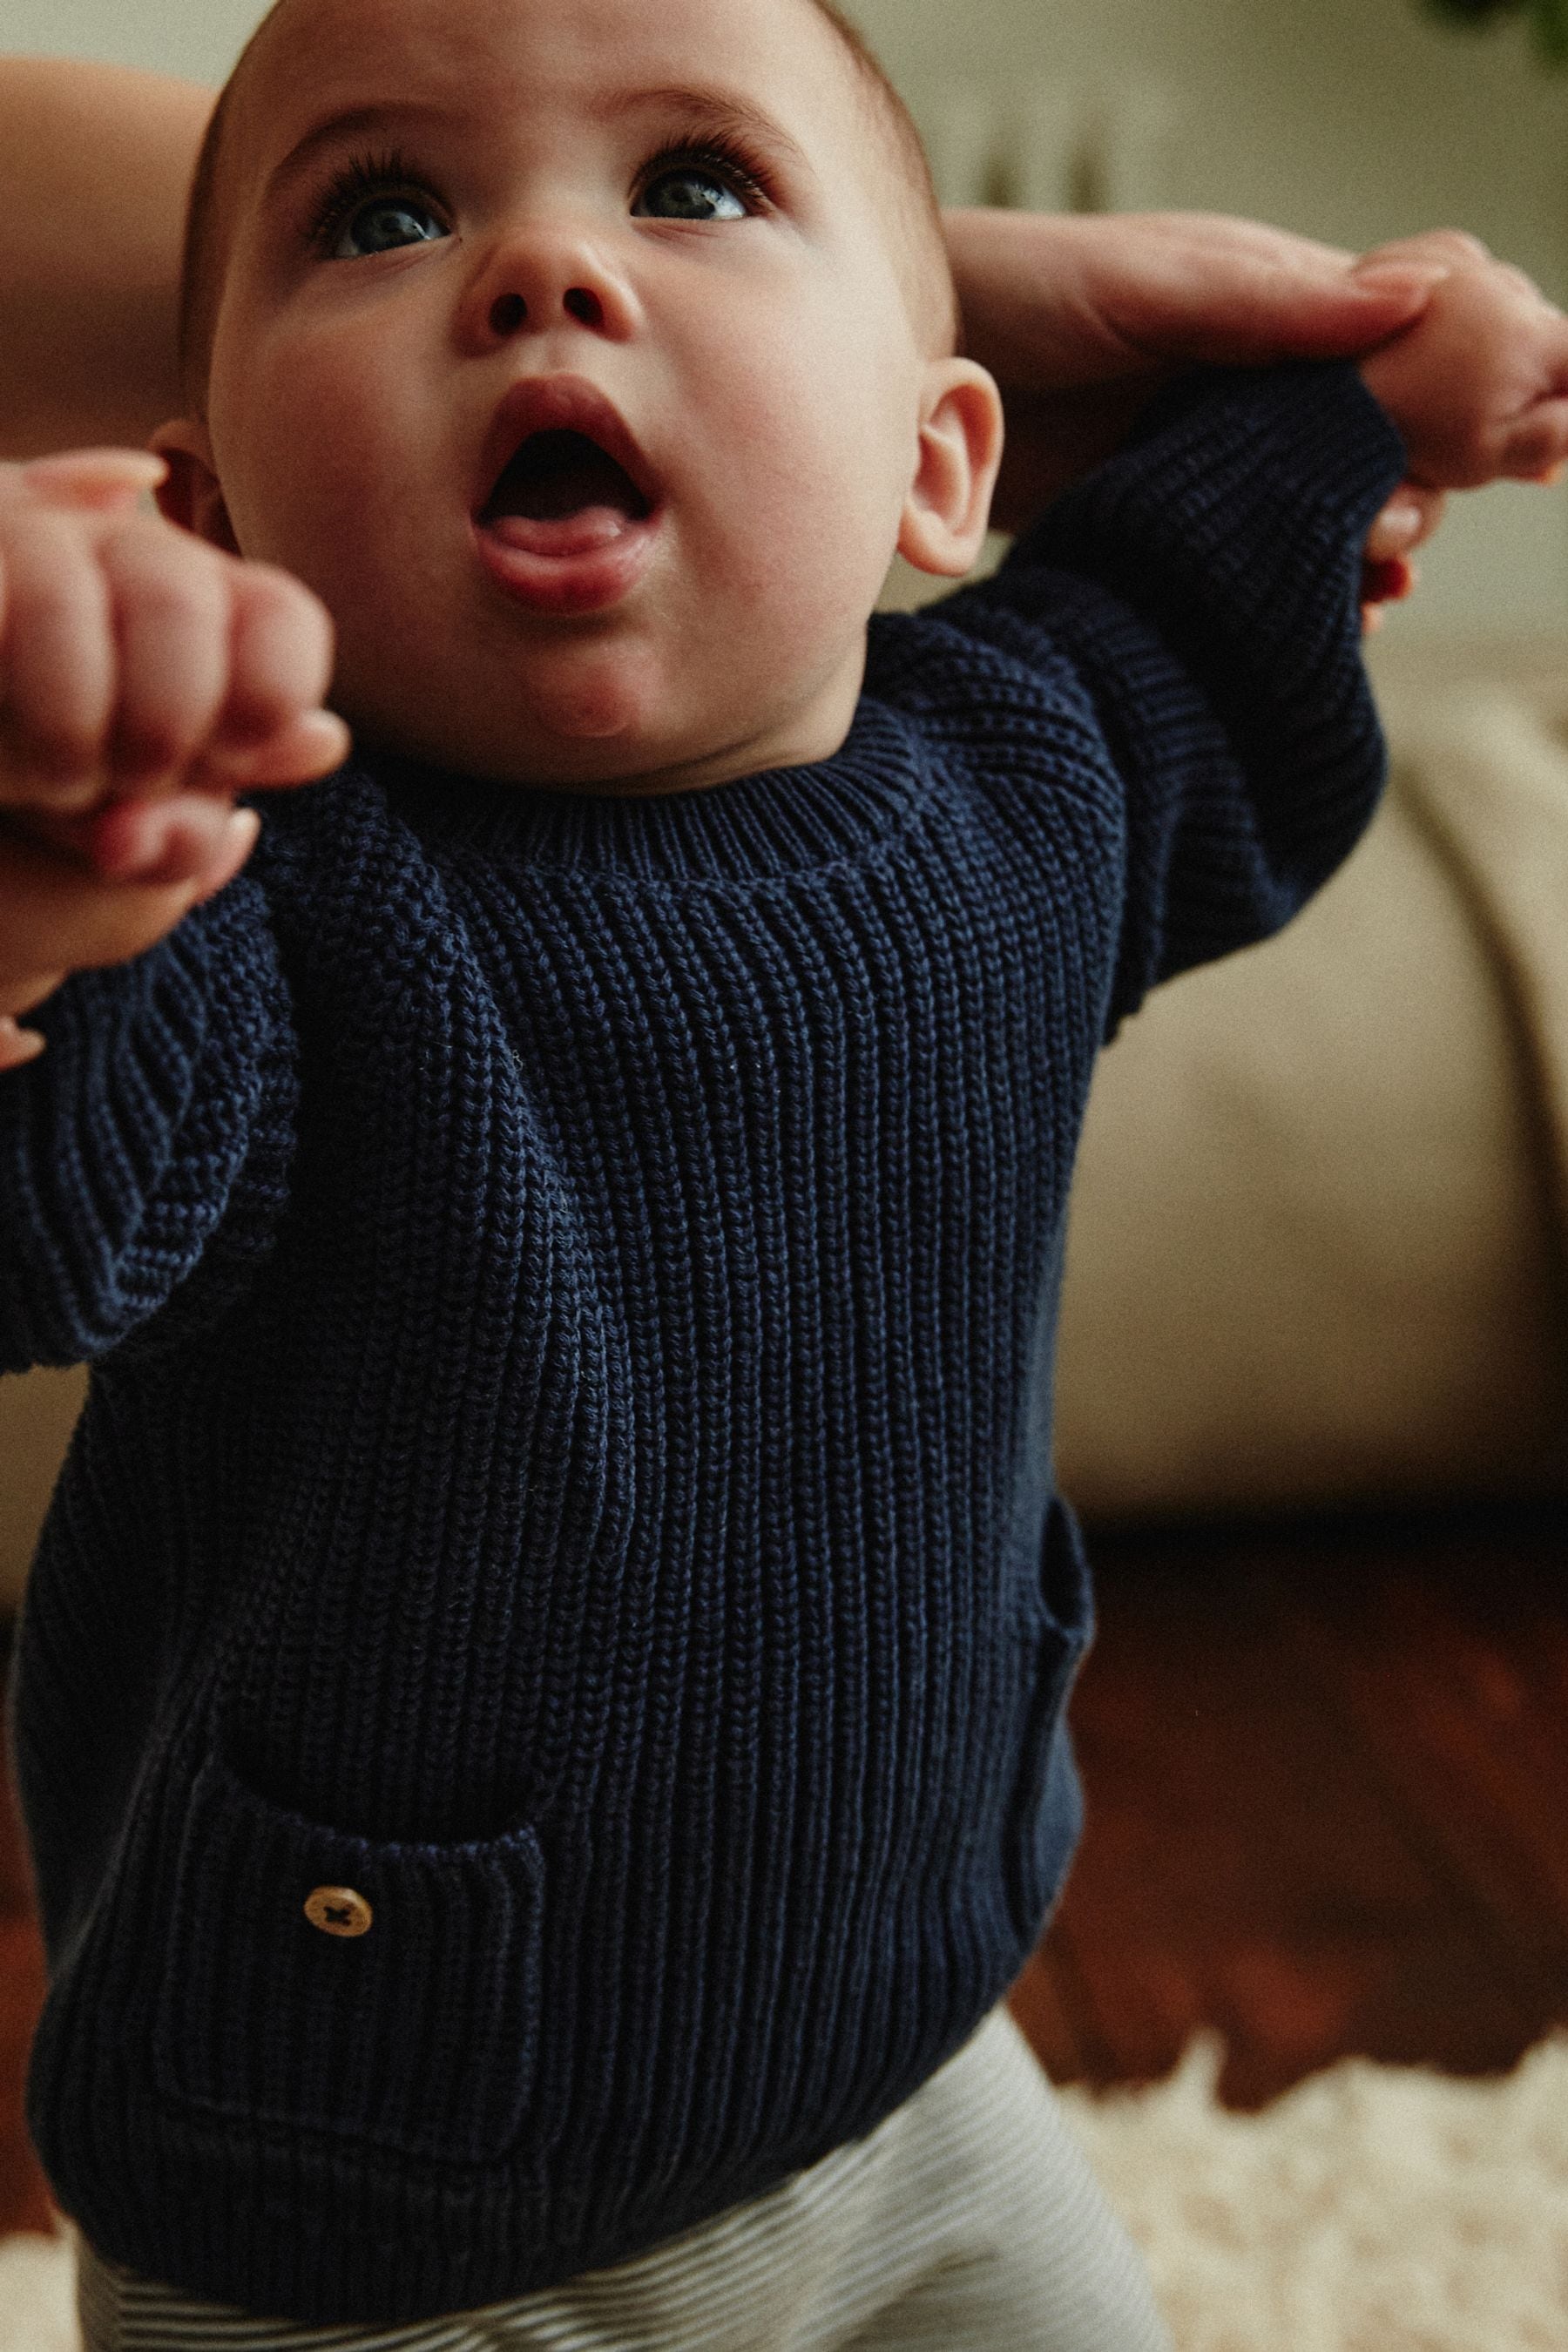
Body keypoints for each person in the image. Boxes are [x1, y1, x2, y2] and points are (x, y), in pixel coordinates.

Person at [3, 0, 1566, 2345]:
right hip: (364, 2190)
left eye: (698, 185)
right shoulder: (264, 918)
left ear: (947, 467)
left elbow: (1191, 619)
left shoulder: (1023, 771)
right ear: (212, 507)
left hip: (913, 2058)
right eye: (386, 212)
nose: (541, 268)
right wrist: (56, 892)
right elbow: (55, 1209)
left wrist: (1365, 402)